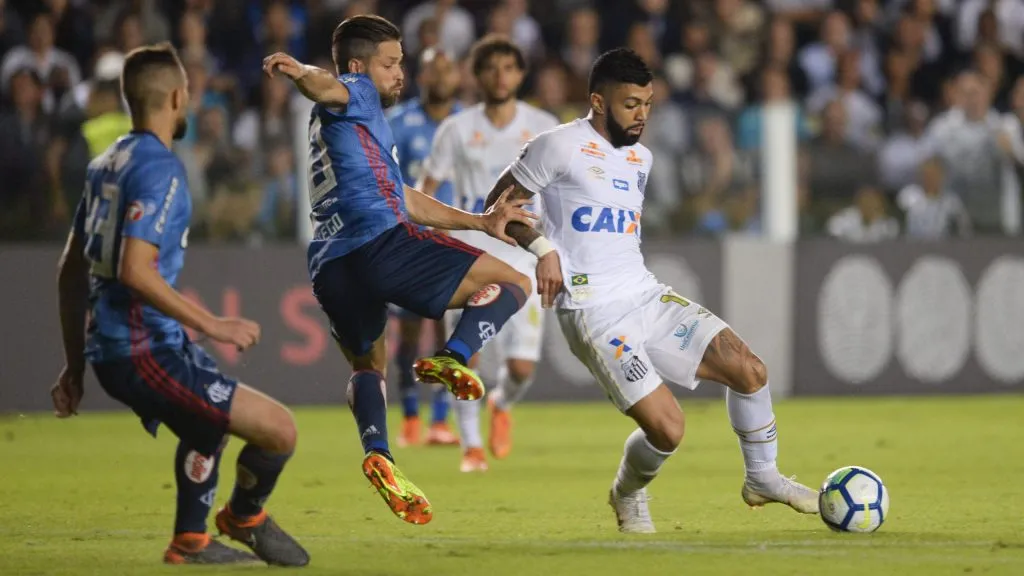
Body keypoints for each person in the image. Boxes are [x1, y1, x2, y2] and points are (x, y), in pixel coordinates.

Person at [483, 48, 819, 533]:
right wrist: (543, 249)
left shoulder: (642, 157)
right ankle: (628, 492)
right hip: (592, 312)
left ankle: (762, 477)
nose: (641, 115)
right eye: (630, 105)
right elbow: (496, 206)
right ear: (597, 101)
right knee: (669, 429)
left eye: (648, 104)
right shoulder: (557, 146)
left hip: (644, 294)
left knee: (750, 371)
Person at [262, 15, 535, 525]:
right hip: (379, 242)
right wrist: (300, 70)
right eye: (391, 64)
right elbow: (328, 84)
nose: (399, 75)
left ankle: (379, 453)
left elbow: (404, 197)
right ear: (361, 66)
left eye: (401, 64)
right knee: (514, 281)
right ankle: (452, 357)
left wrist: (477, 221)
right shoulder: (355, 91)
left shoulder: (340, 126)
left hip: (330, 264)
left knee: (367, 367)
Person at [50, 44, 309, 566]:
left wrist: (75, 364)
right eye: (188, 93)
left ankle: (191, 539)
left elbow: (71, 270)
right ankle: (242, 516)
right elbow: (133, 268)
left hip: (130, 346)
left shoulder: (106, 164)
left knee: (204, 424)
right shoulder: (159, 168)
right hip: (142, 349)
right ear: (175, 95)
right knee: (279, 431)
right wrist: (213, 324)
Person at [419, 34, 558, 472]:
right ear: (477, 76)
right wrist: (422, 236)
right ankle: (471, 446)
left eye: (509, 68)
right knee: (465, 355)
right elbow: (427, 187)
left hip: (525, 254)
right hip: (467, 251)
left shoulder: (543, 125)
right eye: (491, 68)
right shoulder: (456, 129)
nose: (500, 76)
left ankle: (501, 403)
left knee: (519, 367)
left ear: (521, 74)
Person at [385, 46, 463, 448]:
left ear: (457, 77)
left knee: (448, 330)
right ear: (422, 77)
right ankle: (411, 415)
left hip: (459, 240)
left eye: (446, 70)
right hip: (414, 239)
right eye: (432, 71)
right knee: (412, 331)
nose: (439, 78)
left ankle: (440, 418)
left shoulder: (469, 124)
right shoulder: (400, 122)